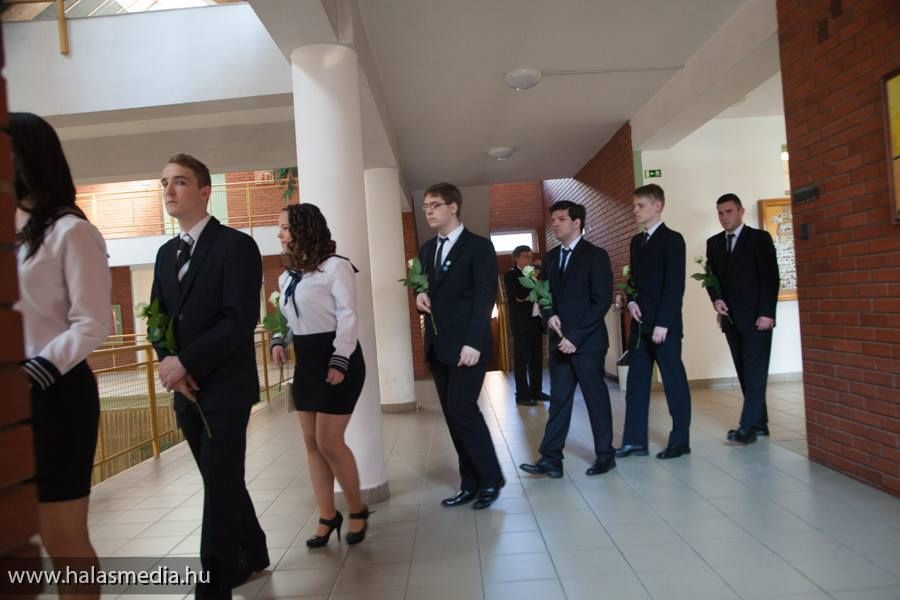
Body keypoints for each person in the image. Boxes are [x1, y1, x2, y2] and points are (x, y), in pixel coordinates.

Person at [149, 154, 268, 597]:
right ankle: (253, 549)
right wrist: (169, 363)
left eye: (179, 181)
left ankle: (212, 588)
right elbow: (157, 317)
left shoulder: (236, 246)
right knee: (222, 480)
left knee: (218, 486)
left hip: (225, 388)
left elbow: (239, 319)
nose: (169, 190)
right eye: (164, 182)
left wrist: (186, 362)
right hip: (186, 391)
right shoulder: (165, 254)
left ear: (204, 191)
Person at [11, 112, 112, 600]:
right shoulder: (16, 232)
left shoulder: (72, 232)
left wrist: (33, 372)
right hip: (11, 399)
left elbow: (92, 321)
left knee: (63, 537)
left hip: (54, 395)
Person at [269, 203, 371, 547]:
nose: (280, 234)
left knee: (330, 442)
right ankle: (327, 515)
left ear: (304, 229)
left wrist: (340, 359)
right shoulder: (287, 276)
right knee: (311, 443)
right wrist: (279, 339)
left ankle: (357, 509)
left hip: (338, 357)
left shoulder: (335, 267)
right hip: (307, 362)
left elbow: (348, 315)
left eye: (285, 227)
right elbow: (288, 318)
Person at [416, 182, 504, 510]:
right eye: (426, 206)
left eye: (435, 205)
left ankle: (491, 478)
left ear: (453, 207)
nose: (428, 211)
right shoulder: (427, 250)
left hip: (468, 346)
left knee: (463, 410)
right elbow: (427, 288)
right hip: (439, 346)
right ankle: (470, 483)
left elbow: (484, 296)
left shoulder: (478, 247)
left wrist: (473, 342)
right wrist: (419, 296)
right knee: (453, 417)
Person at [519, 201, 616, 478]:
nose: (555, 224)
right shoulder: (550, 258)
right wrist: (549, 315)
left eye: (561, 219)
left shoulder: (596, 256)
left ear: (577, 223)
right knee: (560, 400)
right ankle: (551, 459)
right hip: (558, 341)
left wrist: (575, 337)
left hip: (588, 343)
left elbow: (601, 301)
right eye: (553, 219)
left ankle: (605, 455)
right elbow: (545, 295)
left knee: (595, 399)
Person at [618, 184, 692, 460]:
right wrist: (631, 302)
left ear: (657, 206)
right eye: (634, 205)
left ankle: (680, 441)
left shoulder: (673, 240)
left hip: (664, 327)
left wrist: (663, 323)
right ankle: (634, 441)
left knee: (673, 383)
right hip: (640, 326)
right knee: (636, 385)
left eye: (641, 205)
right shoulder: (636, 242)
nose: (635, 210)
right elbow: (633, 281)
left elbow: (675, 286)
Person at [705, 193, 779, 444]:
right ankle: (759, 424)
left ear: (741, 211)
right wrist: (716, 299)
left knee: (755, 372)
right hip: (731, 319)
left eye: (729, 211)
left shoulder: (759, 239)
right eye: (720, 213)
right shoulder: (714, 243)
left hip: (758, 318)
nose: (724, 217)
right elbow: (711, 277)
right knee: (745, 371)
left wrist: (767, 313)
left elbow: (770, 277)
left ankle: (747, 428)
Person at [503, 245, 549, 406]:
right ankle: (522, 394)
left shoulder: (537, 274)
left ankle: (536, 391)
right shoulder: (511, 275)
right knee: (522, 360)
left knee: (537, 359)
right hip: (521, 323)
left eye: (531, 256)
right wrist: (532, 279)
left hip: (536, 321)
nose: (529, 259)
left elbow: (543, 293)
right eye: (526, 256)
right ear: (516, 258)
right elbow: (520, 295)